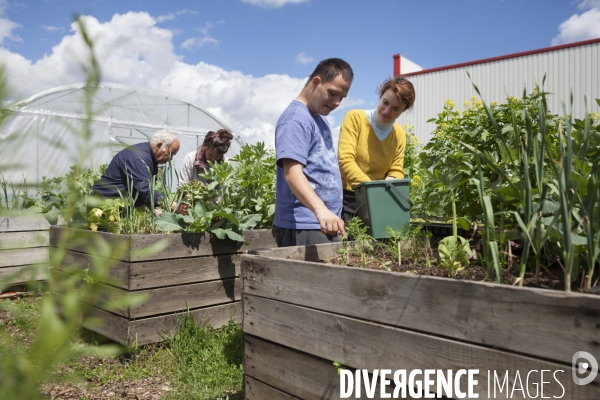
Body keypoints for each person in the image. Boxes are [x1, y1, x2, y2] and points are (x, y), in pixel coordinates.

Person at [273, 58, 353, 247]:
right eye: (333, 93)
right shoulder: (296, 119)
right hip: (303, 225)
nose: (336, 102)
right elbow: (292, 174)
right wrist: (320, 210)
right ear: (316, 82)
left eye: (341, 97)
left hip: (324, 221)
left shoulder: (319, 118)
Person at [338, 76, 415, 221]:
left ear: (403, 111)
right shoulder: (355, 118)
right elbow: (345, 160)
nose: (386, 111)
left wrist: (389, 182)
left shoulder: (399, 134)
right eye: (385, 102)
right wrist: (371, 190)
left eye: (395, 109)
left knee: (382, 243)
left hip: (380, 200)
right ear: (380, 97)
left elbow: (396, 169)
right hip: (349, 198)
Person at [90, 129, 183, 214]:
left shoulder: (150, 159)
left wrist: (154, 211)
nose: (171, 159)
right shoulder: (139, 158)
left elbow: (141, 191)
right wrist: (172, 205)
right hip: (102, 207)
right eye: (170, 154)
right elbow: (146, 191)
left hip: (115, 207)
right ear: (159, 146)